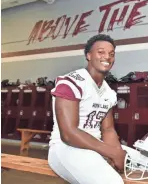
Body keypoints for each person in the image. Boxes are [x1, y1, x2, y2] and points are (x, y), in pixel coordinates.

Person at [48, 34, 127, 184]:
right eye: (101, 52)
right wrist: (112, 153)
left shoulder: (108, 92)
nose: (107, 57)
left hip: (95, 149)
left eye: (111, 54)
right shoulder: (71, 83)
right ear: (88, 55)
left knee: (147, 163)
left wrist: (116, 154)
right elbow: (68, 134)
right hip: (65, 149)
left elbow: (108, 130)